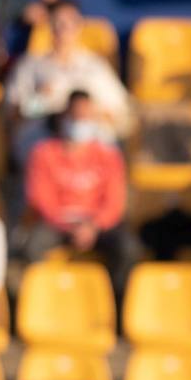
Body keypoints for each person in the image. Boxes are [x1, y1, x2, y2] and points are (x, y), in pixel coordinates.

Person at [19, 91, 138, 295]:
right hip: (57, 224)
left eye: (87, 117)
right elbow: (40, 199)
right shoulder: (44, 154)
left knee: (129, 249)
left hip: (96, 224)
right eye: (76, 116)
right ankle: (42, 301)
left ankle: (116, 308)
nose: (81, 122)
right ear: (65, 117)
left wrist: (93, 226)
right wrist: (68, 226)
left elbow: (114, 204)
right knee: (32, 247)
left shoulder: (109, 157)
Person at [5, 0, 132, 163]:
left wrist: (87, 112)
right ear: (48, 26)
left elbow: (120, 112)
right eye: (57, 22)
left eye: (70, 23)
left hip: (90, 153)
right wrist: (39, 101)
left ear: (79, 26)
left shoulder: (96, 67)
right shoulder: (29, 66)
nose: (63, 29)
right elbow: (14, 115)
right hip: (45, 147)